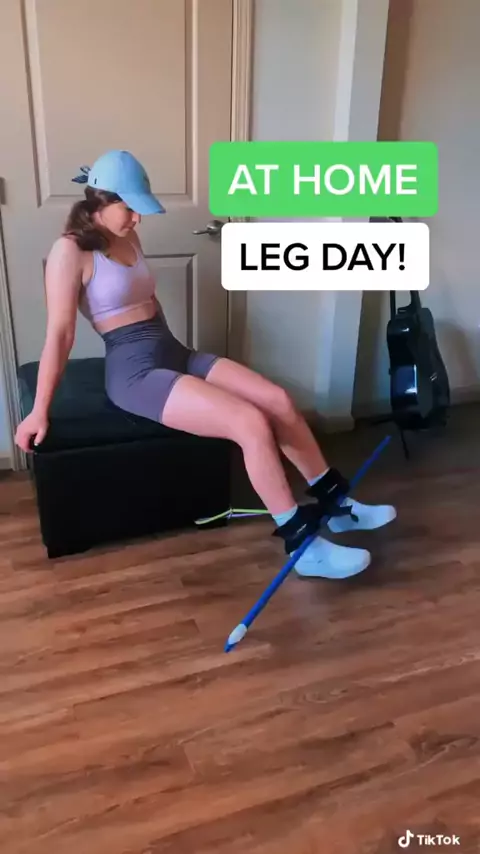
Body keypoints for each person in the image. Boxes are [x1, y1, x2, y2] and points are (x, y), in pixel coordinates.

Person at [14, 149, 396, 578]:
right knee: (249, 423)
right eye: (129, 209)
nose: (137, 219)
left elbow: (147, 301)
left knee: (278, 400)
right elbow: (60, 335)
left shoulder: (127, 236)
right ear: (100, 201)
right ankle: (303, 548)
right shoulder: (69, 252)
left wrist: (178, 358)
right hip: (135, 374)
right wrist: (39, 411)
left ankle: (337, 505)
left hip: (171, 351)